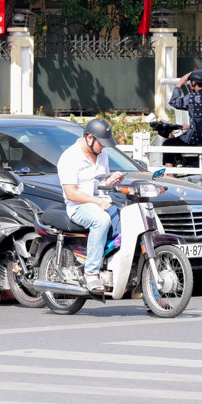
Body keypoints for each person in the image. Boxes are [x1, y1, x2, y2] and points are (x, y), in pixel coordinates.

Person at [56, 118, 124, 292]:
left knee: (130, 218)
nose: (103, 148)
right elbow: (71, 193)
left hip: (102, 202)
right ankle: (91, 273)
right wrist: (98, 201)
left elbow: (101, 182)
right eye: (101, 144)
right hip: (79, 206)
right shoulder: (70, 158)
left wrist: (111, 180)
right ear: (89, 138)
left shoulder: (102, 155)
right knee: (101, 221)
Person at [163, 69, 202, 165]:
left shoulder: (192, 97)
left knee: (167, 144)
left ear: (193, 82)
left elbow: (174, 102)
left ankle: (170, 172)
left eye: (190, 82)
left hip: (194, 138)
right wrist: (189, 126)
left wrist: (179, 84)